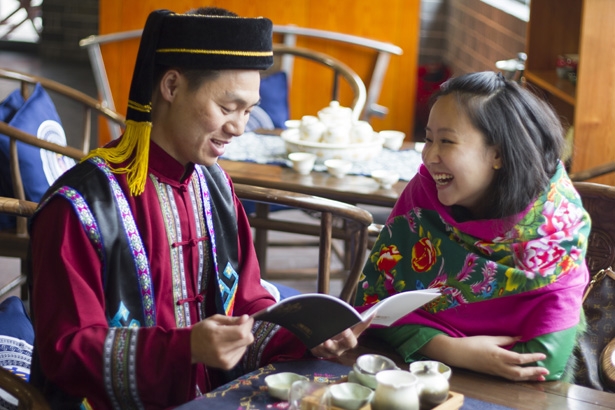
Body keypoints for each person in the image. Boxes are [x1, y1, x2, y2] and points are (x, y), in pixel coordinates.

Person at [28, 8, 367, 409]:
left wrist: (305, 334)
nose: (239, 127)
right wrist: (186, 347)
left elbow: (246, 301)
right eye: (227, 107)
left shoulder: (214, 185)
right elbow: (66, 351)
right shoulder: (82, 207)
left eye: (248, 110)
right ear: (172, 86)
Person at [354, 71, 590, 383]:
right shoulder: (423, 197)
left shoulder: (557, 227)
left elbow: (542, 363)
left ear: (498, 154)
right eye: (428, 139)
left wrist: (423, 336)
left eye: (446, 141)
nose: (429, 156)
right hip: (415, 378)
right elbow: (372, 308)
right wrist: (452, 349)